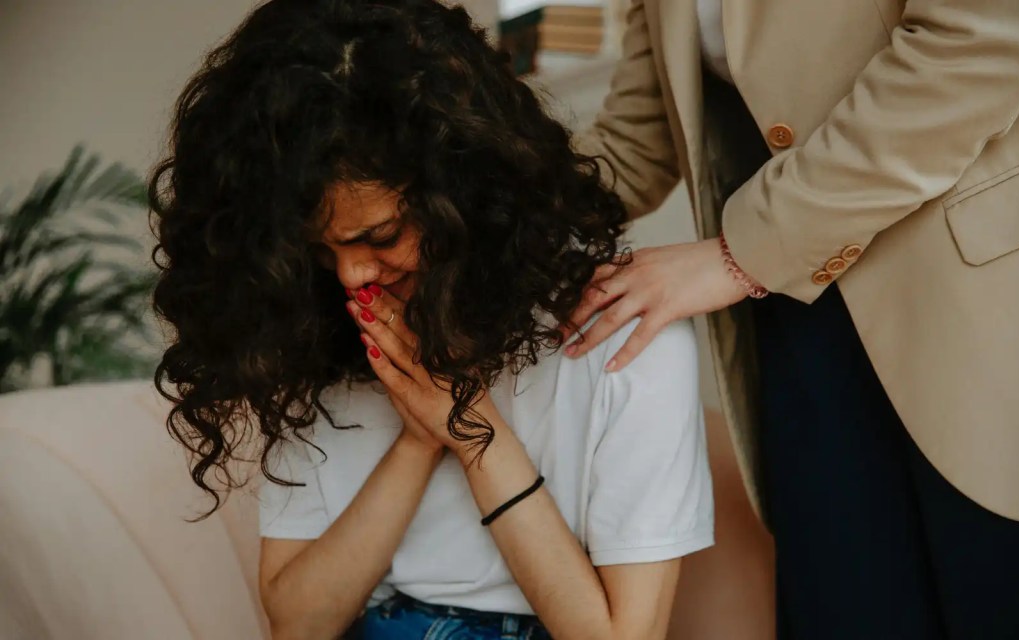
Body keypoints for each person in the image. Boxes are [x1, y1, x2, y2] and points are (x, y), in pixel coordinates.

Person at [148, 1, 713, 638]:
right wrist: (418, 440)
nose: (351, 275)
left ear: (465, 192)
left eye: (381, 236)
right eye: (320, 251)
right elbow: (298, 625)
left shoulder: (623, 330)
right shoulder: (321, 333)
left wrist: (470, 428)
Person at [565, 0, 1019, 638]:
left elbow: (982, 42)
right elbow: (633, 143)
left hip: (970, 302)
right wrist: (457, 200)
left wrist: (739, 254)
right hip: (798, 323)